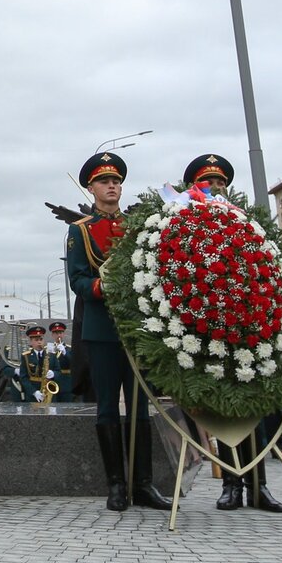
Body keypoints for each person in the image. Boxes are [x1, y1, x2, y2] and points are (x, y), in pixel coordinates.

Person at [66, 151, 172, 512]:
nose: (112, 186)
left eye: (116, 181)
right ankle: (115, 484)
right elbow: (77, 279)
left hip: (137, 327)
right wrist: (103, 286)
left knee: (141, 408)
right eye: (104, 182)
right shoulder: (79, 229)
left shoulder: (138, 224)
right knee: (108, 408)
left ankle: (142, 484)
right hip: (101, 329)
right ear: (91, 187)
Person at [183, 153, 282, 513]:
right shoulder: (189, 225)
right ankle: (231, 484)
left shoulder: (245, 222)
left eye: (220, 183)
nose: (215, 188)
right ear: (194, 189)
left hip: (249, 328)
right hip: (210, 327)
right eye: (207, 183)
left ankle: (259, 486)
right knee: (223, 409)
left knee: (252, 408)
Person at [17, 326, 54, 402]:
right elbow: (23, 377)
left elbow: (58, 371)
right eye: (36, 340)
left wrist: (53, 373)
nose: (39, 342)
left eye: (41, 339)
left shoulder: (51, 355)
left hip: (48, 391)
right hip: (32, 394)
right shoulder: (25, 356)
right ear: (31, 342)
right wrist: (34, 392)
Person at [47, 322, 74, 402]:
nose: (58, 335)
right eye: (56, 333)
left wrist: (65, 352)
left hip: (66, 382)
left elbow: (74, 363)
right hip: (53, 381)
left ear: (63, 334)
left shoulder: (70, 349)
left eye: (60, 333)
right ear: (52, 335)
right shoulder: (48, 349)